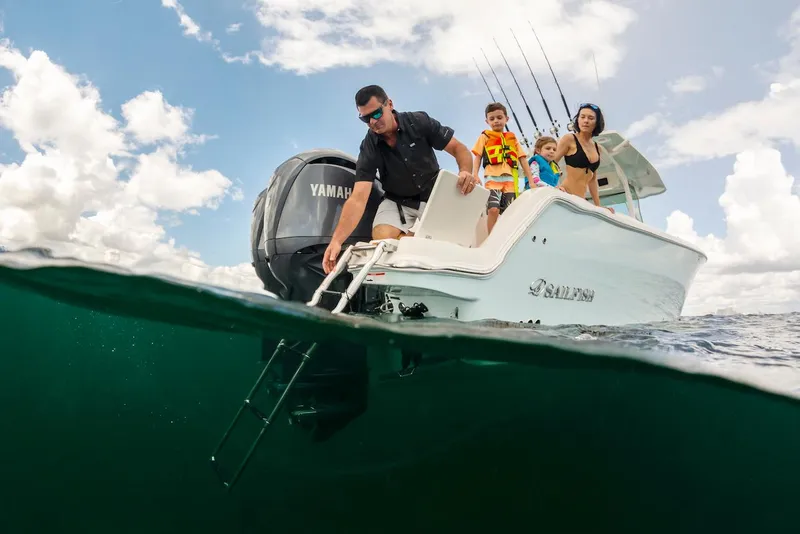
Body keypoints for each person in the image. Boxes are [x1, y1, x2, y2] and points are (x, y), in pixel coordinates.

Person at [322, 85, 480, 275]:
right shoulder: (369, 146)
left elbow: (459, 150)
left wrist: (465, 172)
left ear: (389, 104)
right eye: (365, 118)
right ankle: (415, 240)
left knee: (446, 241)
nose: (372, 122)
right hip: (396, 200)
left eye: (377, 113)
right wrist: (336, 241)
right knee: (381, 239)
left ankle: (416, 240)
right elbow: (358, 198)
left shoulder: (419, 121)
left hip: (432, 196)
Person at [471, 102, 538, 234]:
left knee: (510, 211)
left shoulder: (512, 139)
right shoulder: (484, 137)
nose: (496, 121)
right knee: (493, 209)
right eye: (492, 119)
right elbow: (478, 156)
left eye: (499, 117)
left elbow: (523, 159)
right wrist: (475, 174)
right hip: (492, 178)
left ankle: (507, 237)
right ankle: (491, 238)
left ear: (507, 119)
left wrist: (531, 181)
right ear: (487, 121)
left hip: (510, 181)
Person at [552, 103, 614, 213]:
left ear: (596, 122)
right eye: (582, 117)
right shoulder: (569, 139)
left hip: (581, 200)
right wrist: (554, 187)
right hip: (565, 195)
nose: (586, 121)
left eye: (591, 118)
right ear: (578, 119)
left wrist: (598, 205)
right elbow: (550, 164)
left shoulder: (597, 148)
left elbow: (593, 179)